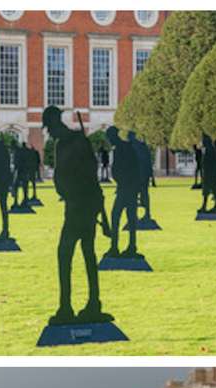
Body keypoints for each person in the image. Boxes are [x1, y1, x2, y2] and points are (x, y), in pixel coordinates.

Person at [41, 106, 112, 325]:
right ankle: (91, 303)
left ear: (54, 123)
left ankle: (70, 307)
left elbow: (89, 178)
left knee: (67, 255)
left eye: (49, 128)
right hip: (80, 206)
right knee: (87, 255)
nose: (49, 133)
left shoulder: (71, 143)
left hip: (79, 207)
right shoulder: (70, 142)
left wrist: (102, 216)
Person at [105, 126, 141, 257]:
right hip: (126, 187)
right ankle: (130, 246)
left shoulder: (122, 148)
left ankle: (116, 247)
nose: (109, 141)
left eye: (109, 138)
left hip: (126, 188)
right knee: (129, 218)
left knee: (117, 217)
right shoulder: (124, 147)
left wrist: (122, 181)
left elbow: (130, 168)